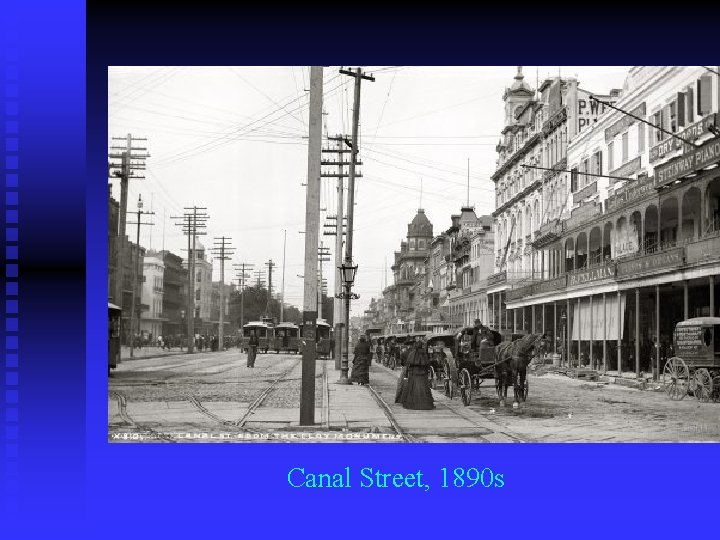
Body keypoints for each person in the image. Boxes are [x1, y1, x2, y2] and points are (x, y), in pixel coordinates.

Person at [399, 337, 435, 410]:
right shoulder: (424, 354)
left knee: (413, 388)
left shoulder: (412, 354)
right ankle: (424, 402)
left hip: (414, 374)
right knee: (423, 388)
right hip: (422, 375)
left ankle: (412, 402)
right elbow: (427, 364)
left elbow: (408, 364)